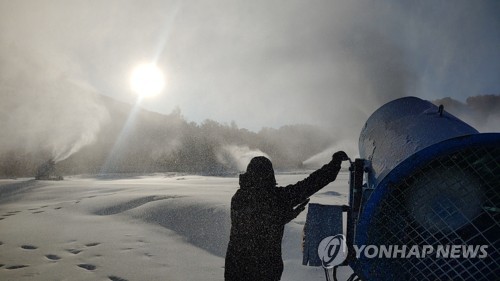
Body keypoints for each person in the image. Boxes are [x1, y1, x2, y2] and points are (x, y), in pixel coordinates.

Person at [224, 151, 349, 281]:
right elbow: (310, 184)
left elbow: (255, 224)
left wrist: (284, 216)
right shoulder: (276, 198)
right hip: (264, 271)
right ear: (269, 175)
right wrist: (334, 164)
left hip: (236, 267)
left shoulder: (239, 197)